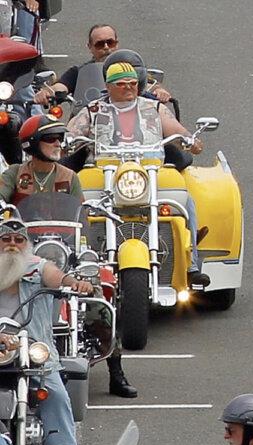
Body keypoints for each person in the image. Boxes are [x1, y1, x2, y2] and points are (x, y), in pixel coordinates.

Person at [2, 116, 137, 398]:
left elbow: (80, 217)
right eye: (49, 139)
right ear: (31, 144)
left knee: (101, 293)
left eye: (59, 138)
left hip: (62, 249)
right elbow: (2, 200)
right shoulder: (14, 174)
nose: (57, 144)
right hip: (23, 251)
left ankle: (116, 369)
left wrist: (83, 247)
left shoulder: (69, 176)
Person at [66, 57, 210, 287]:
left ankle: (192, 263)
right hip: (105, 171)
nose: (129, 88)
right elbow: (70, 135)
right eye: (121, 84)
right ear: (109, 86)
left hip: (149, 169)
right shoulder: (93, 110)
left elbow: (177, 130)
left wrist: (189, 140)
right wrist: (67, 140)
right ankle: (74, 261)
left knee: (185, 200)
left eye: (132, 83)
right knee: (77, 204)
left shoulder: (153, 107)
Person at [0, 219, 93, 445]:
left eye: (19, 240)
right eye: (6, 240)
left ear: (27, 245)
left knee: (55, 393)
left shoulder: (37, 267)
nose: (13, 246)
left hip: (33, 351)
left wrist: (73, 283)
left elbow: (55, 276)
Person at [33, 24, 173, 105]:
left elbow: (149, 83)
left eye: (110, 42)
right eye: (100, 44)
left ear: (117, 44)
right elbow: (60, 86)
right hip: (91, 121)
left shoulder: (131, 67)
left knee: (178, 155)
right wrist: (46, 92)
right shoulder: (79, 71)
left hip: (134, 119)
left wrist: (160, 91)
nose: (106, 47)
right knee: (65, 152)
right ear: (90, 47)